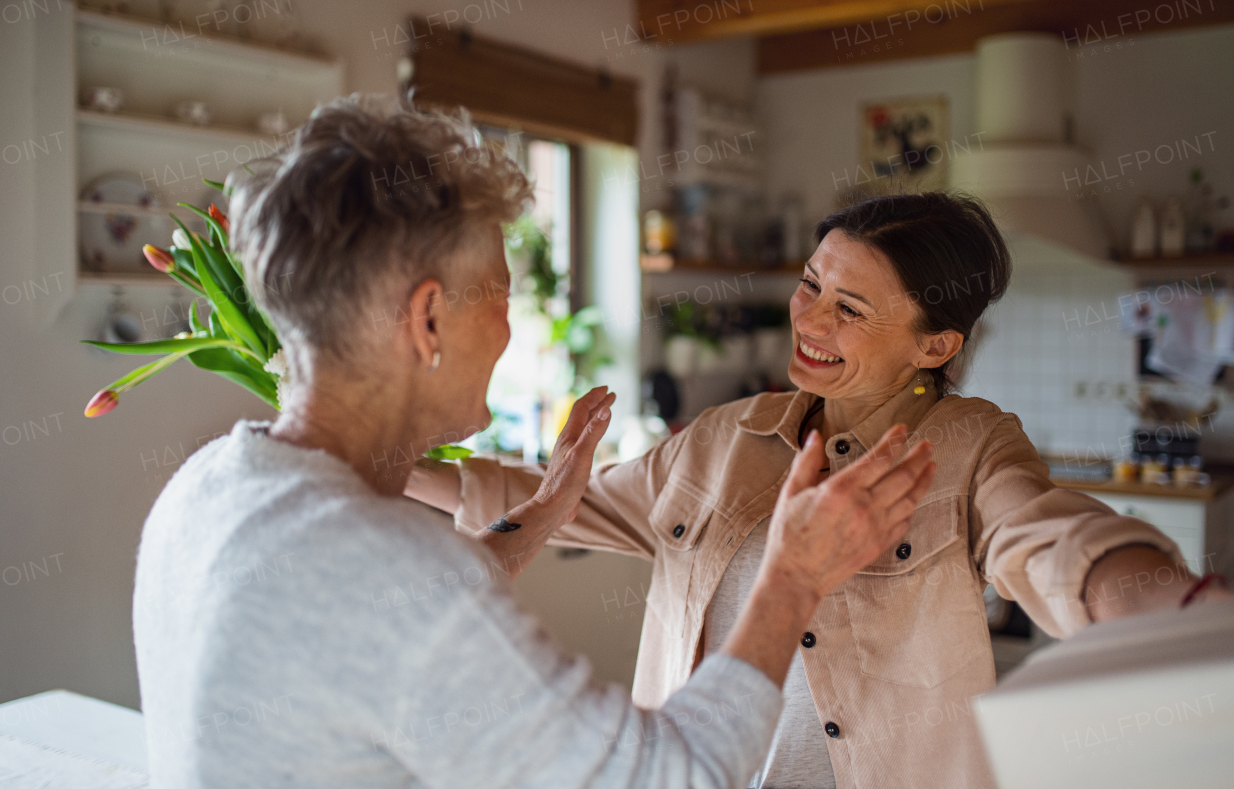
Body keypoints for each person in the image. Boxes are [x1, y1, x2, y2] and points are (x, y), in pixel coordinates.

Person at [131, 95, 937, 789]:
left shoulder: (208, 484)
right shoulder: (393, 566)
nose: (512, 330)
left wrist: (549, 508)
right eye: (503, 295)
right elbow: (674, 777)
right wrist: (791, 578)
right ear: (427, 320)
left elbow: (374, 612)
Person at [407, 191, 1232, 789]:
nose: (810, 321)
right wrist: (383, 460)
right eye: (810, 285)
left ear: (935, 342)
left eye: (850, 307)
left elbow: (1054, 538)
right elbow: (565, 499)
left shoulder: (970, 444)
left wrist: (1181, 606)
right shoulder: (729, 435)